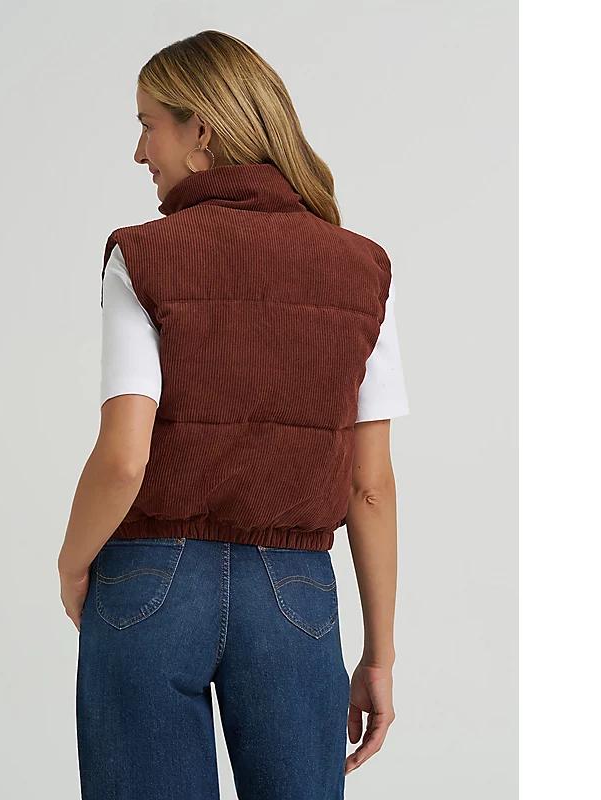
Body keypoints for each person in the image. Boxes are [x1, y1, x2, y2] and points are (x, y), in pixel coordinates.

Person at [58, 29, 409, 800]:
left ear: (202, 131)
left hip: (148, 579)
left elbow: (124, 457)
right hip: (295, 592)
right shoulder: (361, 268)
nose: (139, 152)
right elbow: (370, 487)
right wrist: (378, 657)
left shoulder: (142, 254)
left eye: (149, 124)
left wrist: (73, 562)